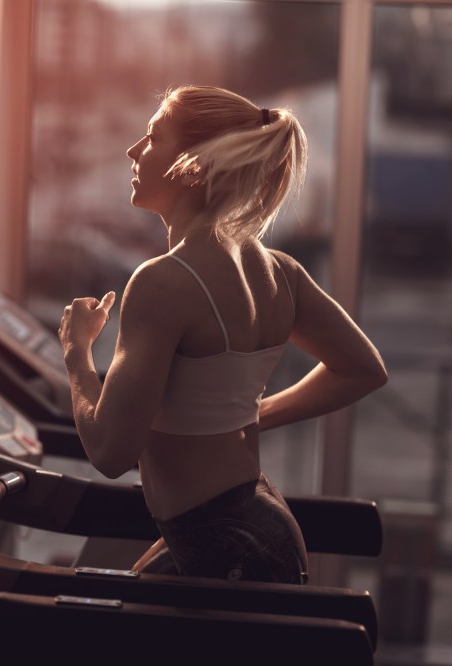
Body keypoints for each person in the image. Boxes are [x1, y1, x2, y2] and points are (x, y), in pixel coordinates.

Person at [57, 85, 387, 585]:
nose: (133, 151)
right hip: (250, 521)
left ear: (195, 163)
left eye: (152, 137)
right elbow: (361, 370)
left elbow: (110, 452)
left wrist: (76, 352)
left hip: (227, 544)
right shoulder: (279, 272)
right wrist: (251, 414)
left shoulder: (163, 282)